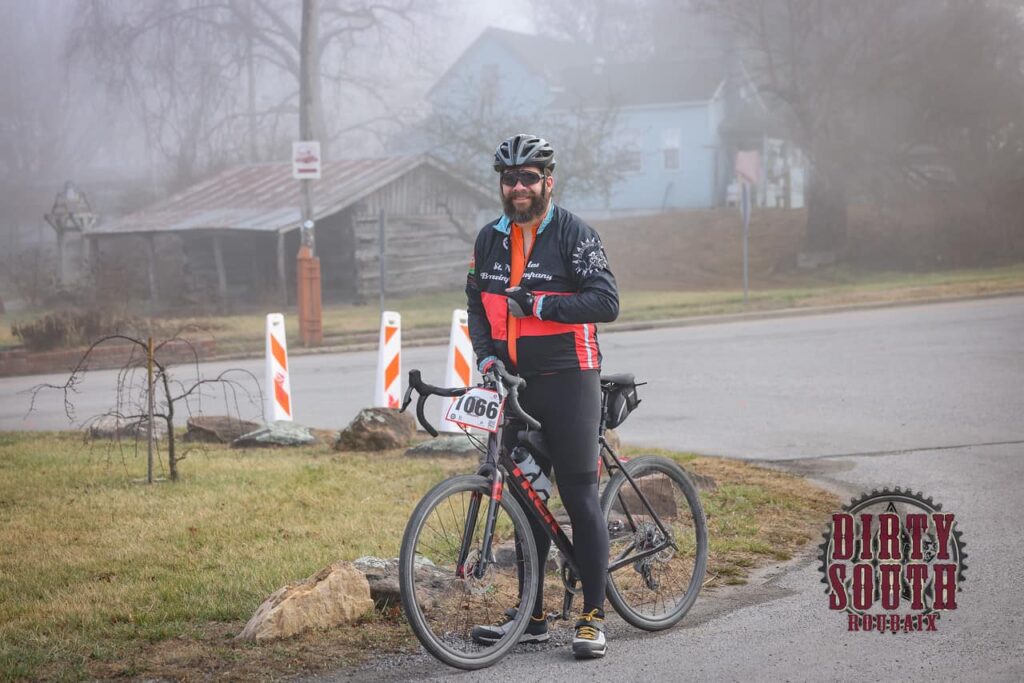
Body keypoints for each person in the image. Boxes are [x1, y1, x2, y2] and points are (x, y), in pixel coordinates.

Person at [465, 133, 619, 659]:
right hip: (512, 384)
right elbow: (476, 309)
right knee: (528, 499)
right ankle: (531, 616)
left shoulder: (574, 234)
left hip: (570, 377)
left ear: (548, 181)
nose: (519, 186)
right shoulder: (488, 240)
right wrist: (485, 358)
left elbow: (606, 301)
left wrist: (540, 306)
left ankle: (594, 616)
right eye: (510, 178)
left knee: (578, 495)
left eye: (529, 177)